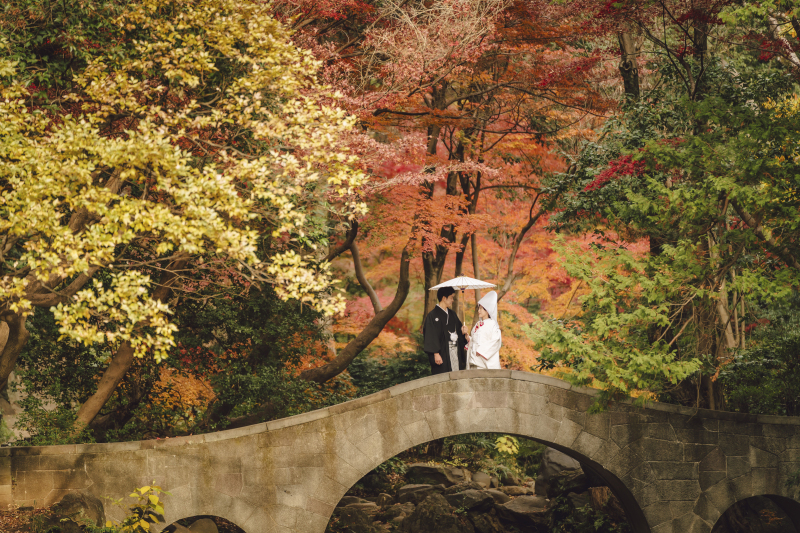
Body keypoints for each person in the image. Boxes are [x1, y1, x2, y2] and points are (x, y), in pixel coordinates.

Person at [423, 286, 468, 374]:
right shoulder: (432, 316)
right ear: (444, 298)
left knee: (456, 374)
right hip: (442, 353)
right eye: (451, 298)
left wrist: (463, 332)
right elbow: (430, 336)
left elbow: (459, 333)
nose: (452, 300)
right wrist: (435, 353)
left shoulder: (452, 314)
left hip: (455, 351)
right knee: (443, 377)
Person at [465, 291, 502, 369]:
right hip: (474, 360)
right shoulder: (477, 324)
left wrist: (482, 351)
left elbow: (496, 341)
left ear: (487, 310)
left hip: (484, 362)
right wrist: (469, 338)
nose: (479, 310)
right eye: (479, 308)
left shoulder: (492, 324)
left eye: (482, 308)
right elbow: (475, 340)